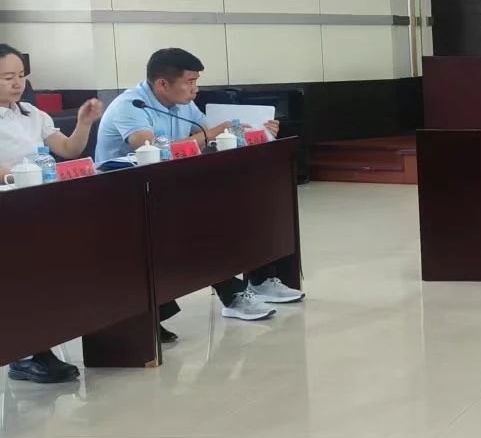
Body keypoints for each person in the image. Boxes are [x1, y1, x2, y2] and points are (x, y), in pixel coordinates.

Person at [96, 47, 302, 335]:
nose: (196, 89)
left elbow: (211, 138)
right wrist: (212, 133)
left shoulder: (183, 104)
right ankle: (232, 294)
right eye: (190, 82)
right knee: (202, 224)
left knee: (245, 206)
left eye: (196, 81)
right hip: (121, 197)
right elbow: (151, 150)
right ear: (162, 84)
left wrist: (260, 131)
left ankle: (260, 278)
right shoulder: (131, 106)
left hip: (169, 188)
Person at [1, 43, 104, 384]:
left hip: (39, 204)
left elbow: (68, 150)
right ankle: (28, 354)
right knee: (21, 279)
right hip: (8, 208)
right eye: (7, 77)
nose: (17, 83)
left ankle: (36, 348)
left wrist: (83, 123)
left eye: (21, 75)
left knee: (45, 276)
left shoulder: (32, 113)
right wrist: (15, 175)